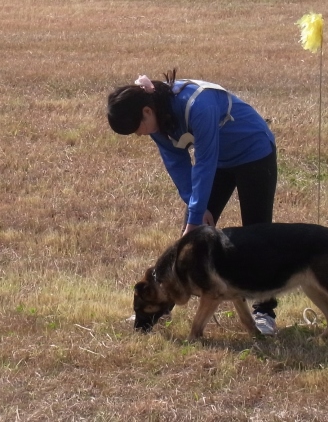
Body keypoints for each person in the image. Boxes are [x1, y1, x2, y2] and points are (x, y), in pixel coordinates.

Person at [107, 69, 279, 335]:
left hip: (253, 153)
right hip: (219, 162)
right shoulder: (154, 119)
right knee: (188, 240)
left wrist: (197, 214)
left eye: (136, 129)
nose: (139, 135)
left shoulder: (199, 105)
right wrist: (194, 207)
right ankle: (164, 303)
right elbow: (177, 164)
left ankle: (264, 312)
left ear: (147, 111)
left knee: (257, 234)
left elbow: (205, 161)